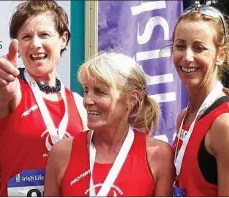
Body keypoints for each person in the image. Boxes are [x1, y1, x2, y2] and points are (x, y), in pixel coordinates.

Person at [0, 1, 87, 196]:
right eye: (26, 37)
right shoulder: (14, 91)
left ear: (63, 39)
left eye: (44, 34)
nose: (35, 44)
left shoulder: (78, 103)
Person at [43, 52, 175, 196]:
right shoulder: (62, 153)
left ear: (132, 99)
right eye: (86, 90)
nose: (87, 100)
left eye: (100, 92)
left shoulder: (157, 155)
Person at [171, 4, 229, 196]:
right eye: (180, 46)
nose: (187, 57)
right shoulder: (184, 117)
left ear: (220, 55)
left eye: (199, 48)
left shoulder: (227, 125)